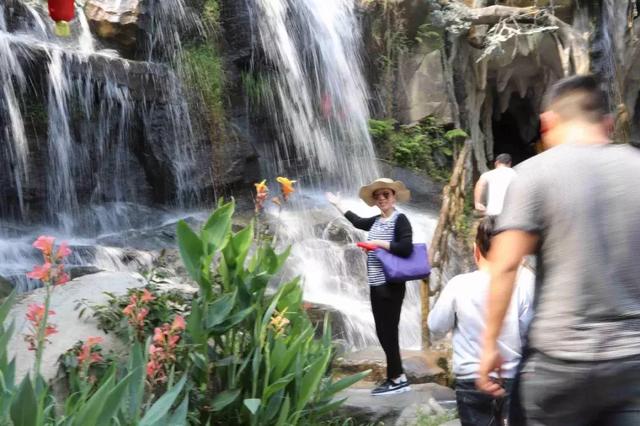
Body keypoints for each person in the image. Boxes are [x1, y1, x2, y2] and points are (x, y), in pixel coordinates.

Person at [477, 74, 640, 425]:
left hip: (558, 364)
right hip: (632, 363)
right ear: (608, 123)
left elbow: (505, 265)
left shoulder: (535, 173)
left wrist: (489, 345)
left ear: (547, 122)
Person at [429, 217, 534, 426]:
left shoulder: (458, 285)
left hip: (471, 379)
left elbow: (436, 326)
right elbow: (528, 332)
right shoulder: (524, 283)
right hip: (512, 378)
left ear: (476, 250)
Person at [326, 178, 413, 396]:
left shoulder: (400, 219)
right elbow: (356, 221)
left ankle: (396, 379)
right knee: (382, 331)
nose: (382, 198)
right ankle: (398, 377)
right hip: (376, 283)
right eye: (377, 196)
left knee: (389, 331)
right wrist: (337, 204)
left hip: (392, 283)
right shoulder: (375, 221)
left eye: (386, 194)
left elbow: (405, 248)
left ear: (393, 197)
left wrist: (377, 245)